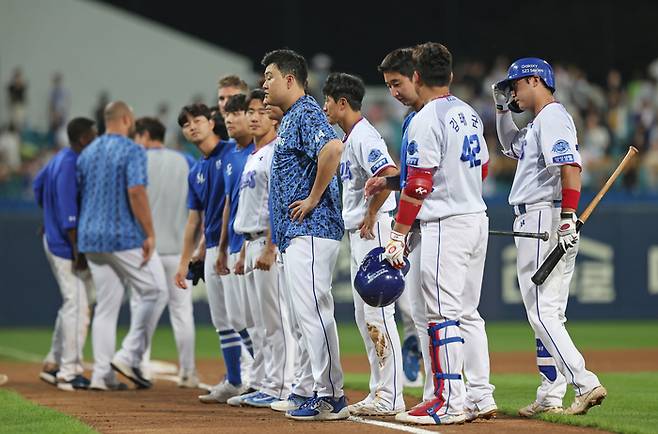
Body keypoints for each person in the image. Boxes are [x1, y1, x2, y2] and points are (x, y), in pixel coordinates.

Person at [383, 42, 495, 425]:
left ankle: (450, 401)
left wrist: (398, 233)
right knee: (464, 312)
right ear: (449, 75)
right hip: (475, 217)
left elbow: (417, 185)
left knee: (441, 314)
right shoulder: (468, 112)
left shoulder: (427, 118)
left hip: (446, 223)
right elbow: (482, 169)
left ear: (416, 76)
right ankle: (473, 396)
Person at [493, 57, 607, 416]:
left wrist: (569, 217)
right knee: (550, 312)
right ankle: (551, 392)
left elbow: (570, 167)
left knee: (541, 313)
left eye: (515, 85)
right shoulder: (540, 122)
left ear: (534, 81)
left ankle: (585, 382)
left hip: (545, 215)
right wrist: (500, 109)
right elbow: (510, 145)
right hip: (545, 215)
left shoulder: (553, 116)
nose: (512, 92)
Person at [262, 48, 349, 421]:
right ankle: (308, 387)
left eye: (269, 76)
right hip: (296, 233)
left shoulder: (307, 111)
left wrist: (313, 198)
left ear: (289, 79)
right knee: (303, 316)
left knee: (314, 311)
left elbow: (333, 147)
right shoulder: (294, 116)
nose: (263, 83)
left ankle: (331, 394)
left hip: (311, 229)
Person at [322, 72, 405, 416]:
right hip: (362, 234)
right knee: (364, 315)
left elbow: (389, 172)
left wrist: (372, 213)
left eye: (328, 100)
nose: (324, 106)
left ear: (343, 103)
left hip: (375, 233)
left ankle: (392, 395)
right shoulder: (352, 136)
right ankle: (380, 391)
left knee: (379, 314)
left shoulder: (363, 137)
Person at [77, 101, 166, 391]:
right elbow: (136, 191)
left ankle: (102, 375)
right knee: (156, 290)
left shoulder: (87, 153)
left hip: (89, 237)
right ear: (128, 120)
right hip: (120, 235)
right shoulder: (132, 150)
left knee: (105, 307)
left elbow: (81, 194)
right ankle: (129, 353)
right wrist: (149, 233)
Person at [172, 103, 246, 403]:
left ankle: (265, 380)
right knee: (222, 320)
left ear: (211, 122)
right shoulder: (196, 169)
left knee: (242, 318)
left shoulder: (233, 150)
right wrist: (186, 260)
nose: (192, 126)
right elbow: (194, 220)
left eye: (197, 120)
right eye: (186, 123)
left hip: (236, 245)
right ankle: (235, 381)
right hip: (214, 246)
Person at [231, 88, 295, 408]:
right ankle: (265, 381)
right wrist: (245, 249)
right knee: (258, 322)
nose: (254, 116)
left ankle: (281, 385)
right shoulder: (255, 154)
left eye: (261, 111)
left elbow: (276, 203)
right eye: (250, 111)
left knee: (275, 320)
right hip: (250, 240)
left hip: (266, 243)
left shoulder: (274, 152)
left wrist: (270, 245)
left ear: (273, 117)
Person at [133, 117, 198, 388]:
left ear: (146, 135)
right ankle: (187, 371)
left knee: (143, 308)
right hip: (180, 250)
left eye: (137, 137)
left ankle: (138, 366)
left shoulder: (137, 162)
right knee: (182, 311)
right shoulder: (186, 161)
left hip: (147, 249)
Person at [33, 117, 97, 391]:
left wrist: (47, 217)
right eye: (93, 136)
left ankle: (53, 362)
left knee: (75, 302)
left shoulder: (59, 157)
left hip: (55, 237)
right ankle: (69, 371)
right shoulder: (71, 164)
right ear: (83, 139)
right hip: (65, 244)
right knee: (78, 304)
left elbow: (38, 186)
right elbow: (70, 216)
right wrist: (77, 249)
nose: (95, 140)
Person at [214, 93, 260, 399]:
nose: (229, 119)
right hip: (233, 243)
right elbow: (230, 204)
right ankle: (257, 376)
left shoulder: (259, 153)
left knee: (259, 321)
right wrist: (221, 246)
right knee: (239, 320)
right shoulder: (232, 156)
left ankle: (264, 378)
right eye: (227, 114)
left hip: (254, 243)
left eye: (237, 112)